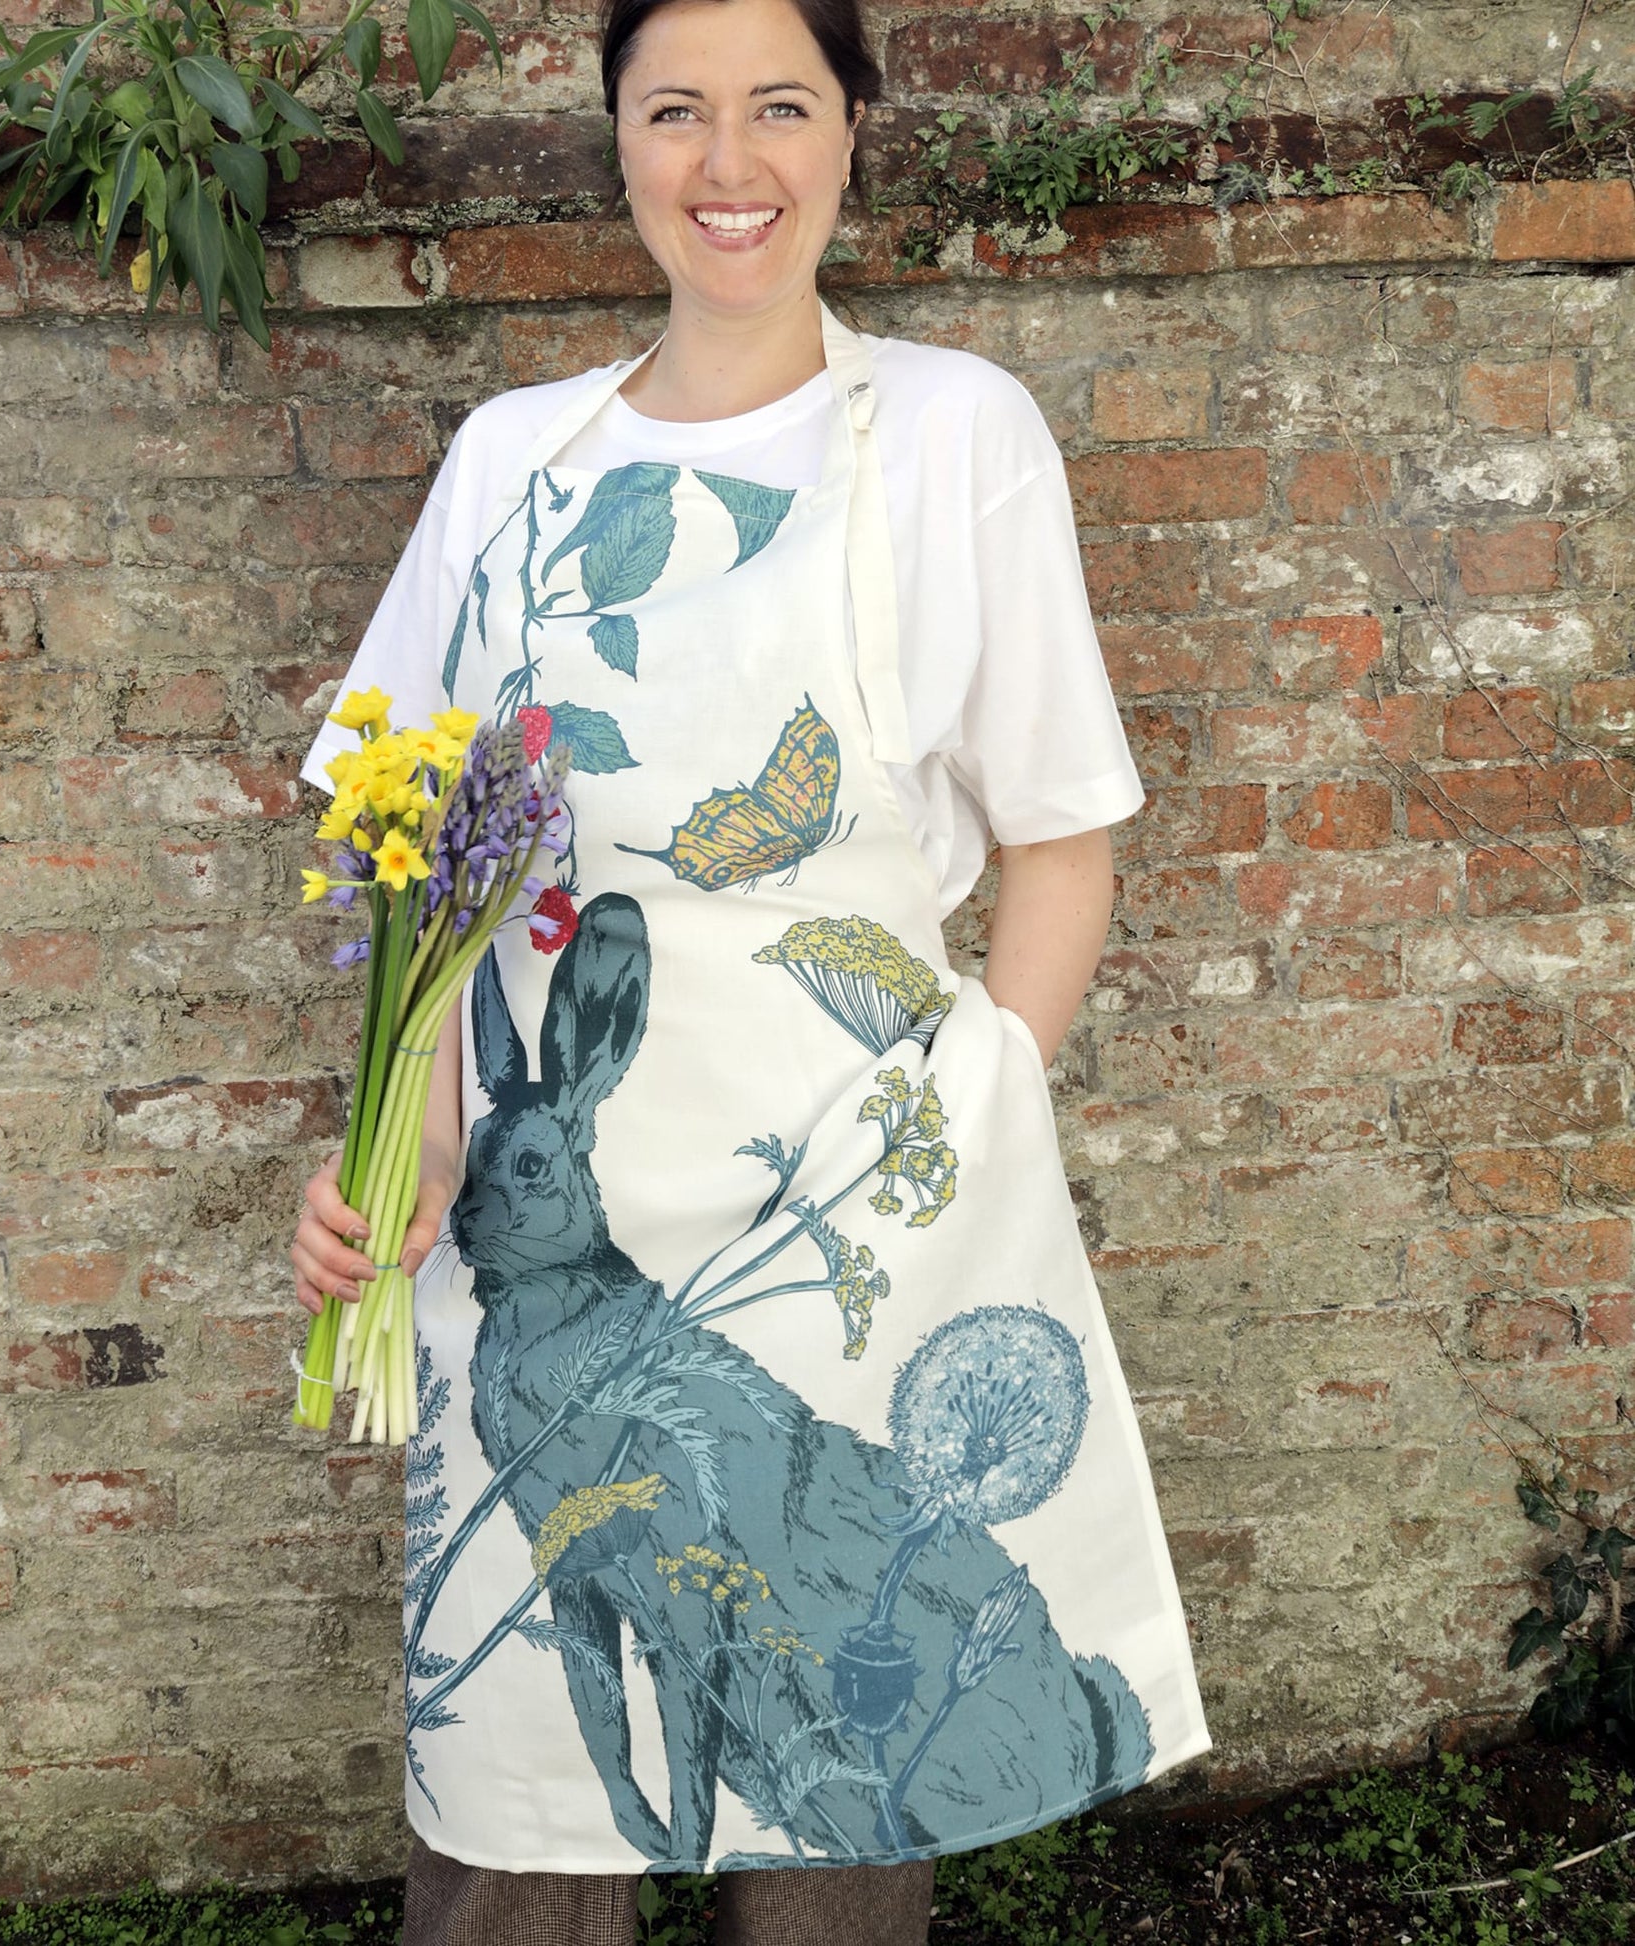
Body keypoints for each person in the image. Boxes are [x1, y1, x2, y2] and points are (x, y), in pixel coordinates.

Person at [289, 0, 1213, 1935]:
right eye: (675, 112)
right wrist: (405, 1157)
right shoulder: (510, 464)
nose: (730, 166)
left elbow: (1059, 840)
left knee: (828, 1817)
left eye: (779, 107)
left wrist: (961, 1125)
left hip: (831, 1239)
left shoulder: (956, 434)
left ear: (851, 127)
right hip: (541, 1261)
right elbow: (415, 867)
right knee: (514, 1827)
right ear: (616, 141)